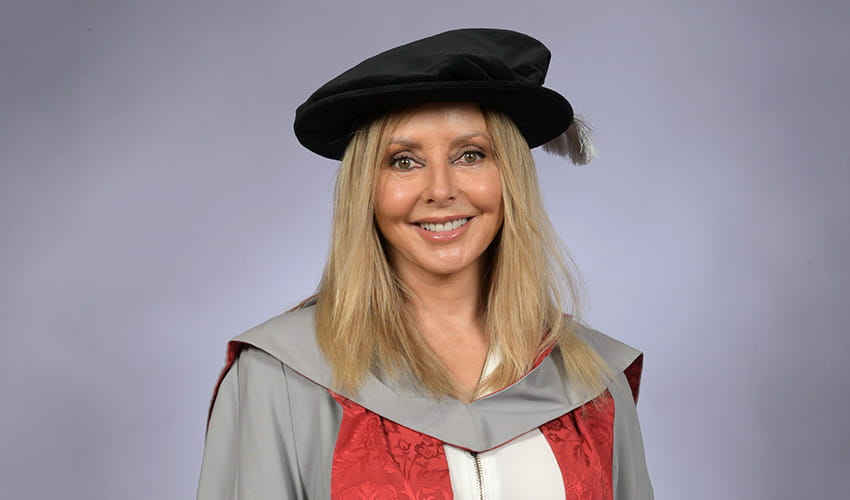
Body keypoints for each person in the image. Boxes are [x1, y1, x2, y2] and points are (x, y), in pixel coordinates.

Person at [197, 28, 653, 499]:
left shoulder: (591, 381)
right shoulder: (281, 378)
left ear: (510, 177)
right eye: (403, 161)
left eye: (470, 155)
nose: (440, 189)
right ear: (365, 190)